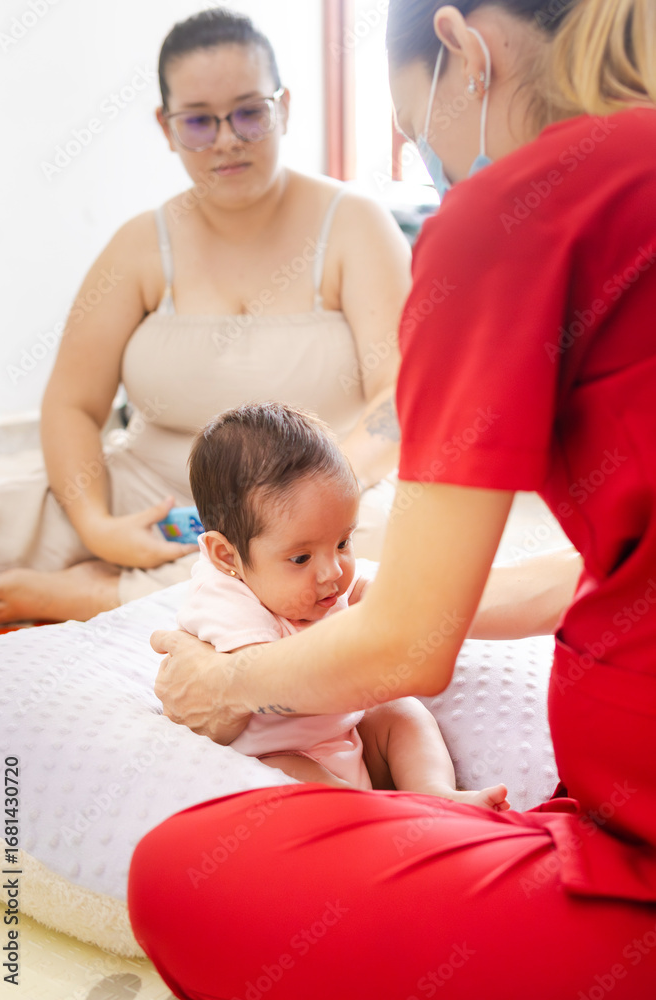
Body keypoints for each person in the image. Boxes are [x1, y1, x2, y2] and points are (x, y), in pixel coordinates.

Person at [128, 1, 656, 997]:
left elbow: (410, 655)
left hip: (633, 849)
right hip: (607, 805)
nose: (437, 168)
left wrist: (224, 685)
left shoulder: (509, 214)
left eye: (419, 134)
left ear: (462, 49)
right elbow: (605, 569)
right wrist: (395, 588)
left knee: (172, 872)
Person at [0, 7, 411, 626]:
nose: (227, 139)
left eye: (249, 112)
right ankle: (134, 576)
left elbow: (399, 398)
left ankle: (100, 596)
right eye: (198, 121)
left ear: (284, 108)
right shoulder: (139, 244)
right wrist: (99, 526)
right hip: (154, 491)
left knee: (381, 549)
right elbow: (73, 404)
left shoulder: (356, 224)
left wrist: (305, 501)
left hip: (316, 501)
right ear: (166, 127)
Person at [179, 401, 510, 807]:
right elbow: (269, 679)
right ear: (227, 556)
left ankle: (436, 795)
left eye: (342, 542)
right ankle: (373, 816)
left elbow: (376, 594)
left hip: (346, 736)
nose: (332, 571)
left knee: (400, 713)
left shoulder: (323, 577)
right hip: (280, 754)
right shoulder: (222, 597)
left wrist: (389, 599)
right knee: (287, 769)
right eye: (301, 558)